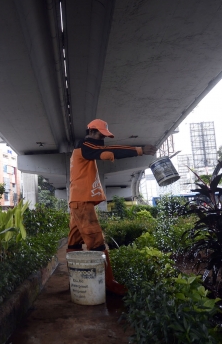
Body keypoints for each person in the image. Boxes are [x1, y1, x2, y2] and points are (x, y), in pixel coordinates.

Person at [67, 119, 157, 295]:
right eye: (101, 134)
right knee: (97, 242)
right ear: (91, 131)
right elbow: (108, 151)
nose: (103, 138)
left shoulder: (83, 148)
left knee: (74, 241)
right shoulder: (85, 146)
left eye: (104, 135)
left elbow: (104, 150)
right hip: (82, 201)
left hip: (78, 200)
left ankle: (74, 281)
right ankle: (108, 283)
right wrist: (139, 150)